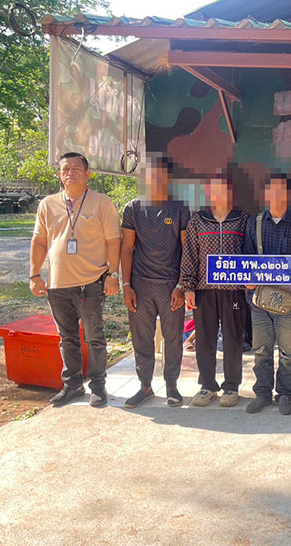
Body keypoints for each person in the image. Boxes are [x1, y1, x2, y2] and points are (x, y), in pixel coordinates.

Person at [29, 152, 121, 407]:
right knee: (67, 337)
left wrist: (113, 274)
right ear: (59, 174)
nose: (70, 172)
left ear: (87, 174)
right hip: (58, 283)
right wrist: (35, 274)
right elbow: (39, 241)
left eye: (76, 168)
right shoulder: (47, 204)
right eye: (65, 169)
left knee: (94, 336)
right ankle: (72, 385)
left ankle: (98, 385)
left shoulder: (102, 203)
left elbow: (114, 241)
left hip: (91, 282)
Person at [120, 156, 189, 408]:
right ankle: (145, 386)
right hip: (140, 285)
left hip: (171, 285)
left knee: (173, 338)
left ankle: (171, 386)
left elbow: (187, 250)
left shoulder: (180, 209)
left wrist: (181, 285)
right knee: (141, 338)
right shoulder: (133, 208)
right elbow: (127, 248)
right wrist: (126, 286)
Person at [179, 175, 250, 407]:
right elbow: (189, 254)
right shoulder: (198, 220)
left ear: (231, 193)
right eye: (214, 190)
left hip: (233, 290)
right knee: (205, 339)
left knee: (232, 339)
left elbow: (249, 252)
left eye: (224, 190)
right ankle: (207, 385)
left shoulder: (242, 219)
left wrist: (249, 280)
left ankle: (231, 386)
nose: (219, 195)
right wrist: (188, 287)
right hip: (203, 290)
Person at [242, 173, 291, 416]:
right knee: (261, 351)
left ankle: (285, 394)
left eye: (282, 190)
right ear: (266, 194)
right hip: (259, 301)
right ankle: (262, 393)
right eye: (272, 190)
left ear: (289, 194)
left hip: (288, 302)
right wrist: (247, 283)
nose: (277, 194)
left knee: (288, 352)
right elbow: (246, 258)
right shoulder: (255, 223)